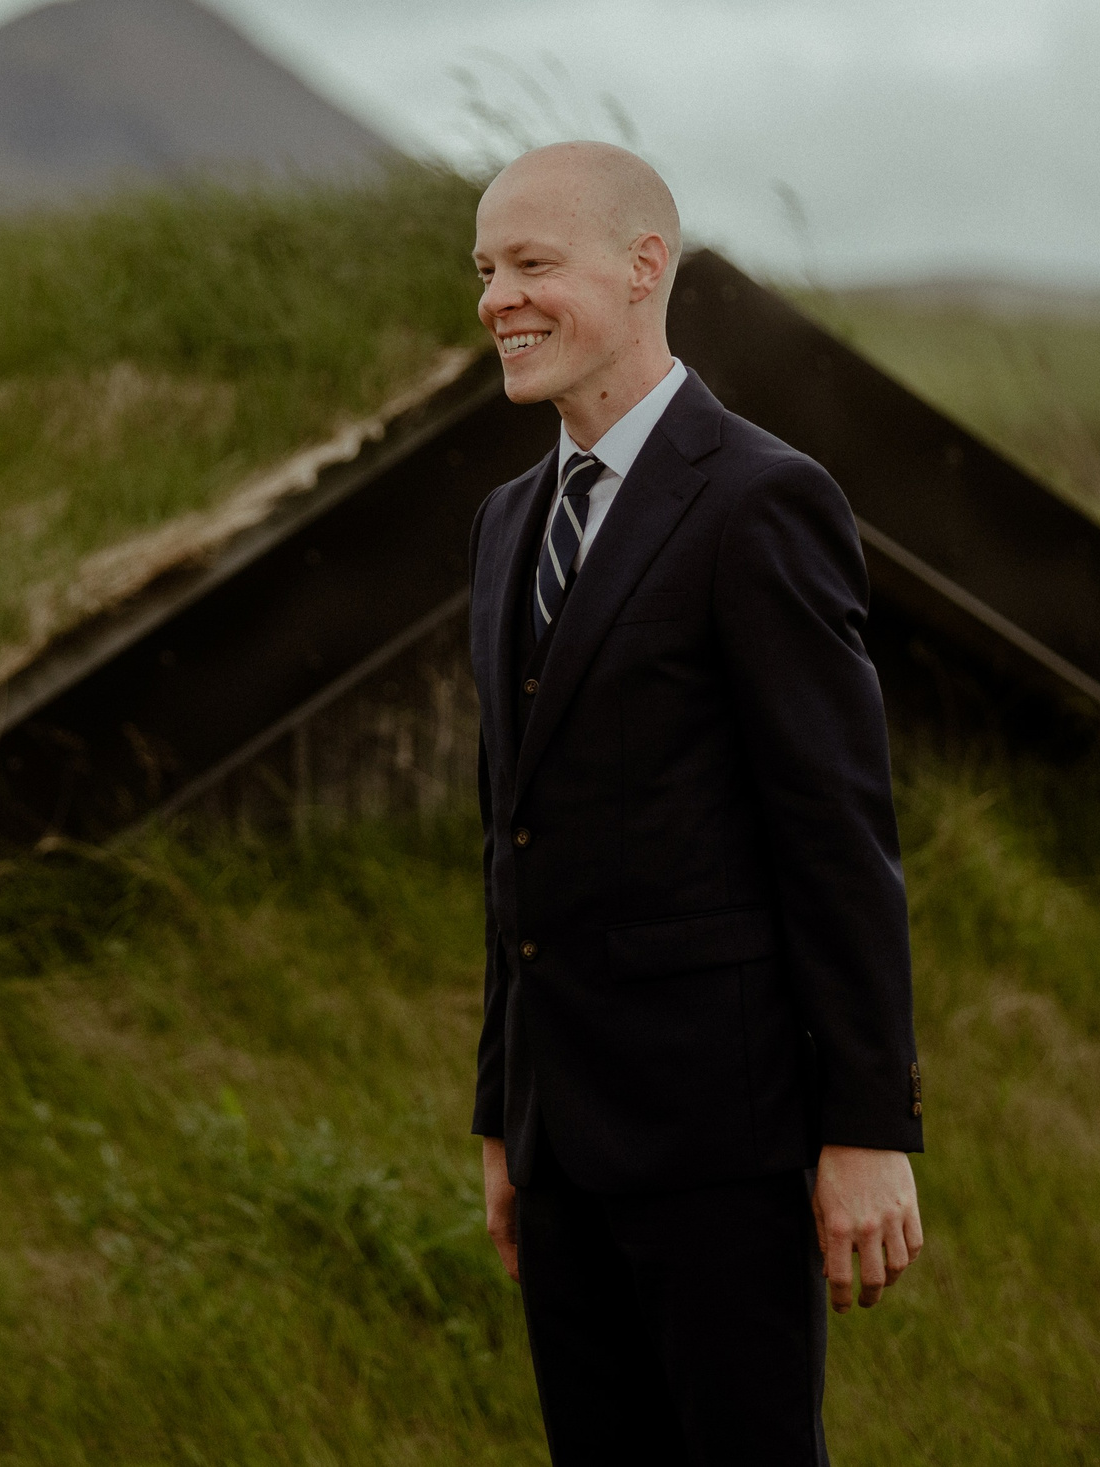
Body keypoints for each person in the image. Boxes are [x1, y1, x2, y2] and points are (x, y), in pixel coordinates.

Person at [466, 143, 925, 1464]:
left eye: (533, 264)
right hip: (559, 1146)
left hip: (725, 1143)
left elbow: (837, 835)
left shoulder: (761, 501)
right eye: (488, 270)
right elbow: (513, 841)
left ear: (643, 267)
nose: (499, 297)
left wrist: (864, 1131)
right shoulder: (505, 522)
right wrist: (505, 1115)